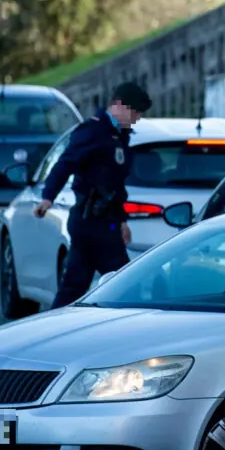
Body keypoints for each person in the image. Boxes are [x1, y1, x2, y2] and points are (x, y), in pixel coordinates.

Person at [35, 82, 151, 309]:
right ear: (119, 105)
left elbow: (115, 186)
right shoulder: (93, 132)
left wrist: (121, 221)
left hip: (102, 221)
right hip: (92, 221)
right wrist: (48, 197)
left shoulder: (120, 136)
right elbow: (65, 164)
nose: (137, 118)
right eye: (135, 112)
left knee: (74, 286)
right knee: (123, 282)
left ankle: (55, 326)